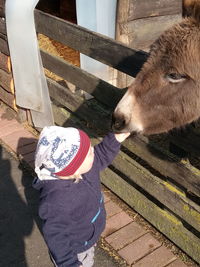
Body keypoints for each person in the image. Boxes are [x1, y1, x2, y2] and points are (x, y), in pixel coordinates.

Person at [33, 126, 130, 267]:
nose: (93, 151)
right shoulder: (56, 201)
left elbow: (102, 154)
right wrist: (68, 263)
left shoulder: (84, 168)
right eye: (88, 153)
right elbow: (56, 235)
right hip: (75, 251)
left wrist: (115, 138)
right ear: (74, 168)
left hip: (87, 235)